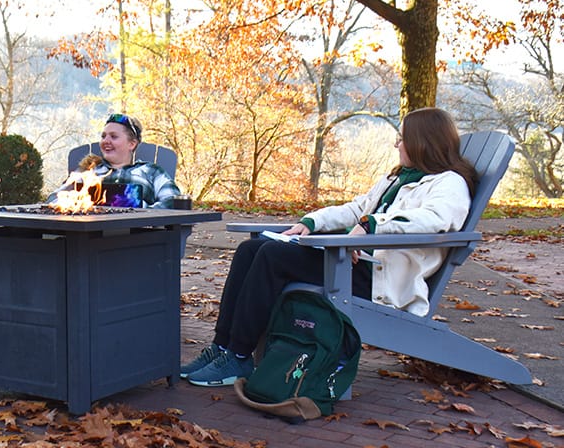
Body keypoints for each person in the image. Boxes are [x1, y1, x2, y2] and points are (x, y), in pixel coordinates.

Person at [182, 107, 477, 387]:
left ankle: (239, 356)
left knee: (272, 256)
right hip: (353, 262)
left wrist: (372, 225)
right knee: (252, 249)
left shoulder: (450, 184)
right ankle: (222, 347)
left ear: (422, 143)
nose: (397, 145)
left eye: (402, 139)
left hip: (381, 277)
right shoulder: (398, 178)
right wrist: (311, 222)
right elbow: (356, 209)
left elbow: (432, 220)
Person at [49, 113, 182, 209]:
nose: (106, 141)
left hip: (139, 237)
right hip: (92, 238)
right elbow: (55, 197)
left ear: (132, 144)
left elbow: (173, 200)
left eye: (113, 136)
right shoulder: (89, 171)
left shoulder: (151, 172)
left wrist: (143, 212)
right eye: (103, 136)